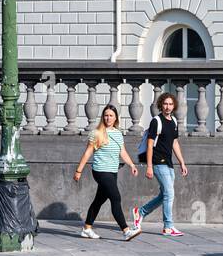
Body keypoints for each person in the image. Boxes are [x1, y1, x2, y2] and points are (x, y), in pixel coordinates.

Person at [74, 105, 142, 240]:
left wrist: (131, 165)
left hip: (112, 171)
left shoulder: (118, 133)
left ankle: (87, 228)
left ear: (115, 117)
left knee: (99, 200)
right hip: (100, 171)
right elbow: (88, 152)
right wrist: (79, 170)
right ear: (102, 117)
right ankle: (126, 230)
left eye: (111, 115)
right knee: (115, 198)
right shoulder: (97, 133)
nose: (108, 118)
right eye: (106, 115)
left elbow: (122, 152)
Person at [133, 92, 188, 236]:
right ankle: (168, 226)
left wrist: (182, 162)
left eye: (170, 104)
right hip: (157, 162)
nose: (168, 107)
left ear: (174, 105)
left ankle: (140, 212)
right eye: (165, 104)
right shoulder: (156, 121)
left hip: (169, 163)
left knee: (164, 194)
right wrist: (149, 166)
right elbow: (150, 145)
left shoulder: (174, 121)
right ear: (161, 105)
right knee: (169, 193)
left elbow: (175, 143)